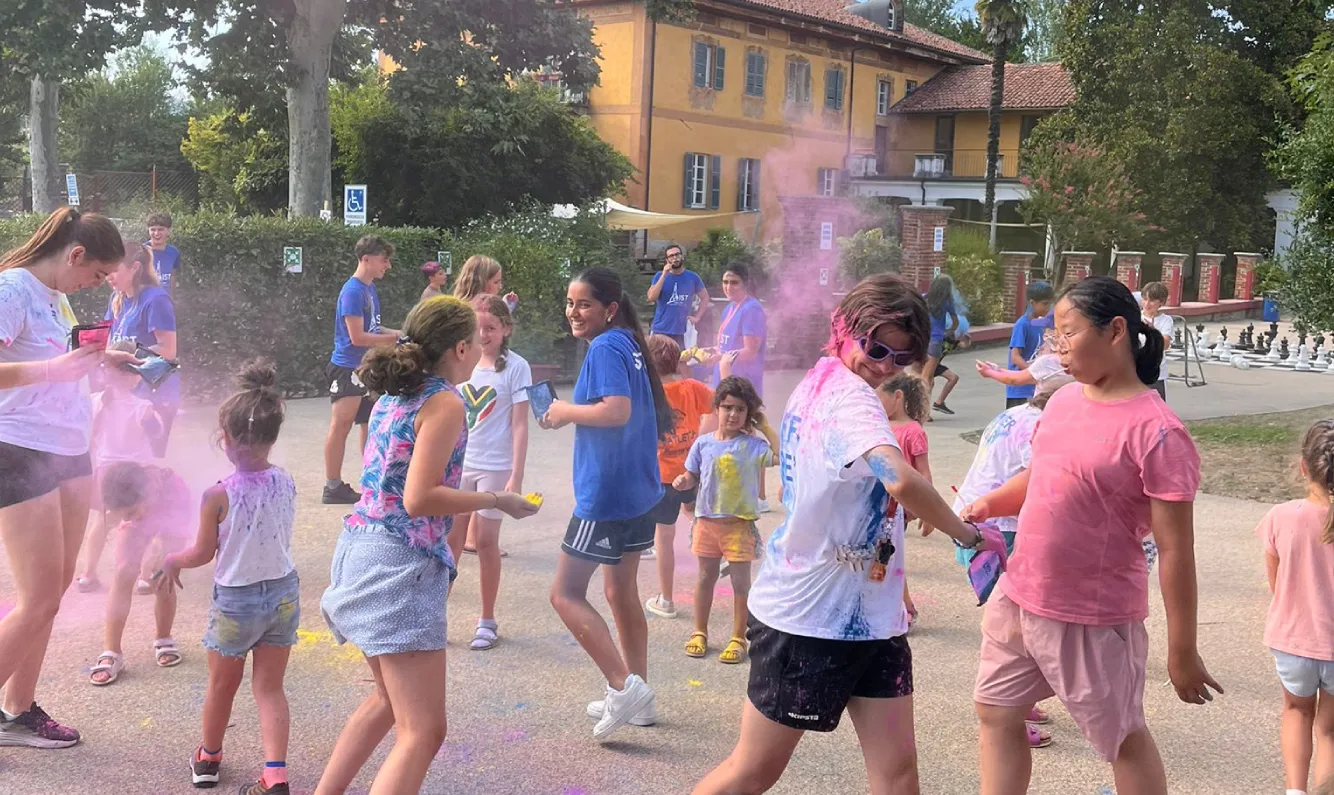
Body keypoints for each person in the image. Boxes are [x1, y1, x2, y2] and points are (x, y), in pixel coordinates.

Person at [694, 274, 1008, 794]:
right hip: (809, 618)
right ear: (843, 327)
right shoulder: (851, 400)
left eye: (901, 358)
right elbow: (900, 477)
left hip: (871, 619)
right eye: (876, 347)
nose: (884, 365)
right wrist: (968, 536)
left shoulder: (824, 377)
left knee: (898, 774)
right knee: (751, 772)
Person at [964, 276, 1221, 795]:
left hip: (1092, 614)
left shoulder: (1159, 432)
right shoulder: (1062, 403)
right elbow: (1042, 477)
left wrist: (1183, 650)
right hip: (1020, 595)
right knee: (996, 712)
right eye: (1053, 338)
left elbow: (1175, 552)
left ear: (1116, 331)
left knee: (1121, 740)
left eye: (1067, 334)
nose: (1057, 351)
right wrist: (990, 503)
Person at [316, 296, 538, 795]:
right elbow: (419, 498)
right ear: (461, 347)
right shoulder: (443, 401)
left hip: (361, 548)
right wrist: (496, 497)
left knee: (386, 703)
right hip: (400, 564)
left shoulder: (395, 394)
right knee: (423, 732)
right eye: (475, 341)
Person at [0, 207, 129, 749]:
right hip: (19, 449)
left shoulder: (56, 296)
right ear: (76, 256)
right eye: (97, 275)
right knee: (37, 600)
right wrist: (54, 370)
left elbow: (62, 361)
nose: (96, 285)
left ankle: (16, 711)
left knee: (51, 595)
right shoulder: (12, 289)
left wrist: (104, 361)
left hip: (70, 449)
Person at [539, 267, 674, 739]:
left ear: (609, 309)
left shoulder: (604, 347)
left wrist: (560, 412)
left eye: (584, 304)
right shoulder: (629, 343)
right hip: (640, 489)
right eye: (570, 303)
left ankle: (623, 687)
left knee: (565, 593)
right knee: (621, 593)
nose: (573, 312)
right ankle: (640, 695)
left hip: (607, 494)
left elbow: (616, 410)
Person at [158, 360, 298, 795]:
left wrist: (171, 560)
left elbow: (202, 553)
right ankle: (276, 773)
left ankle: (209, 759)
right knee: (270, 688)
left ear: (226, 438)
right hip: (283, 594)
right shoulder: (286, 481)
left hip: (237, 601)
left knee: (222, 686)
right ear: (272, 436)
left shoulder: (217, 493)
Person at [448, 294, 532, 651]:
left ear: (506, 329)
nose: (482, 334)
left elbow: (519, 425)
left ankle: (487, 619)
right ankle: (435, 613)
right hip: (459, 465)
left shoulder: (516, 367)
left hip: (495, 466)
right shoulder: (458, 359)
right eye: (477, 327)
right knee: (449, 542)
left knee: (485, 543)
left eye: (491, 328)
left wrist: (517, 474)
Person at [1257, 419, 1334, 795]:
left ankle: (1294, 790)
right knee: (1330, 729)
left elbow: (1276, 582)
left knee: (1296, 712)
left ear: (1304, 466)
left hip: (1293, 640)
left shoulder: (1282, 516)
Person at [673, 376, 770, 665]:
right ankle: (699, 631)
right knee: (705, 578)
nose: (733, 414)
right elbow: (692, 474)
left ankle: (738, 637)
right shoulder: (703, 444)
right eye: (727, 407)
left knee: (742, 584)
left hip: (739, 526)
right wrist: (683, 481)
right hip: (707, 523)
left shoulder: (754, 445)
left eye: (740, 409)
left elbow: (782, 455)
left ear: (748, 413)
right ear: (717, 408)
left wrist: (764, 425)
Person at [85, 460, 192, 685]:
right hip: (142, 521)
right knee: (124, 572)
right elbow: (129, 517)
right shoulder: (128, 507)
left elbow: (181, 529)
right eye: (120, 515)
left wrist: (162, 552)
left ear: (146, 495)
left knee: (162, 574)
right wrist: (132, 518)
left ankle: (163, 637)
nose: (125, 518)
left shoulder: (173, 489)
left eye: (129, 512)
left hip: (171, 518)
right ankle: (111, 651)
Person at [76, 341, 166, 593]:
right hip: (138, 472)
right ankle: (145, 577)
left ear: (105, 372)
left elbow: (88, 435)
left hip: (107, 472)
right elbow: (157, 435)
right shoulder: (142, 407)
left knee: (102, 522)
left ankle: (88, 574)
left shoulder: (93, 401)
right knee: (149, 521)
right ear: (136, 376)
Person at [323, 235, 401, 505]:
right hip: (347, 368)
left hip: (365, 369)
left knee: (370, 424)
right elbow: (357, 337)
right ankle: (332, 486)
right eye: (383, 259)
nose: (387, 266)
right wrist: (395, 340)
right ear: (365, 259)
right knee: (341, 425)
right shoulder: (353, 291)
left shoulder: (368, 289)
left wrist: (401, 333)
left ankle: (372, 479)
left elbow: (374, 329)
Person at [643, 334, 715, 620]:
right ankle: (714, 556)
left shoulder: (648, 393)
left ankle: (667, 599)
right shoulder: (694, 387)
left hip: (662, 476)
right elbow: (719, 405)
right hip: (691, 469)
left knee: (664, 535)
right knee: (695, 515)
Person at [106, 241, 180, 459]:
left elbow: (168, 350)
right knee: (120, 456)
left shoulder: (156, 299)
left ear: (135, 267)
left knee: (147, 461)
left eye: (114, 269)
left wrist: (126, 359)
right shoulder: (116, 299)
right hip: (126, 391)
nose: (108, 276)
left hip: (156, 393)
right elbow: (110, 341)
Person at [877, 373, 932, 628]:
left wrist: (928, 510)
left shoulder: (913, 431)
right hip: (875, 505)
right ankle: (899, 606)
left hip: (898, 508)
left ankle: (905, 608)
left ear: (897, 397)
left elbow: (923, 472)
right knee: (882, 557)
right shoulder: (878, 425)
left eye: (880, 397)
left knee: (888, 556)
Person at [713, 264, 766, 397]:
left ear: (745, 284)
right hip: (724, 377)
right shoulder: (728, 308)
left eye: (734, 283)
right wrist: (710, 353)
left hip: (742, 384)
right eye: (725, 282)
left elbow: (750, 351)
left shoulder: (752, 309)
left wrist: (721, 357)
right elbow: (726, 345)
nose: (728, 287)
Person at [647, 243, 709, 347]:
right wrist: (664, 275)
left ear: (682, 256)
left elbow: (705, 297)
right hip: (661, 329)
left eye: (677, 254)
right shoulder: (659, 276)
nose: (675, 258)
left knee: (682, 361)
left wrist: (697, 317)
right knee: (657, 362)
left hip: (683, 331)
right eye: (671, 256)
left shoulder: (692, 277)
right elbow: (651, 297)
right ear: (667, 260)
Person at [1004, 281, 1055, 409]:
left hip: (1034, 387)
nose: (1048, 307)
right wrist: (1032, 373)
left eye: (1049, 303)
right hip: (1019, 390)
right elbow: (1015, 357)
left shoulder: (1039, 325)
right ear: (1032, 303)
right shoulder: (1022, 325)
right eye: (1044, 303)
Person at [923, 274, 961, 416]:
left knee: (923, 376)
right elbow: (955, 322)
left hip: (921, 340)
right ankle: (923, 412)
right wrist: (949, 331)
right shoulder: (946, 303)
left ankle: (919, 409)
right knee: (927, 378)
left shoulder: (923, 298)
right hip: (935, 341)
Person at [1141, 281, 1174, 400]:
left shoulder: (1166, 320)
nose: (1147, 303)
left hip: (1157, 372)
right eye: (1144, 299)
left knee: (1158, 408)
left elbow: (1165, 345)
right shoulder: (1135, 317)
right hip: (1136, 372)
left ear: (1161, 302)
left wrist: (1152, 332)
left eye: (1151, 300)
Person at [453, 254, 518, 313]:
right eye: (496, 282)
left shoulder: (457, 308)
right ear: (479, 283)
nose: (500, 287)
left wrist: (504, 308)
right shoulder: (475, 312)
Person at [145, 212, 181, 295]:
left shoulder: (174, 252)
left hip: (164, 301)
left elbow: (172, 276)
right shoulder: (142, 251)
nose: (156, 233)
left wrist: (171, 298)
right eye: (153, 230)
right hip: (145, 302)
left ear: (168, 231)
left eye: (161, 229)